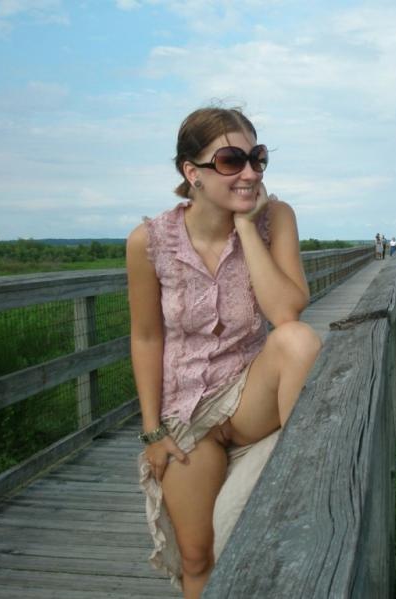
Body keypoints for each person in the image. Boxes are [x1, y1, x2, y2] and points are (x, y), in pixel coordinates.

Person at [126, 106, 322, 599]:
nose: (251, 173)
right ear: (192, 172)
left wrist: (244, 229)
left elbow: (285, 314)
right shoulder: (148, 242)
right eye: (232, 161)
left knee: (298, 340)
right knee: (197, 557)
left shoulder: (275, 217)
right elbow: (147, 337)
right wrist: (152, 430)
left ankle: (308, 489)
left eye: (257, 158)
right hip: (187, 411)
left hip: (247, 391)